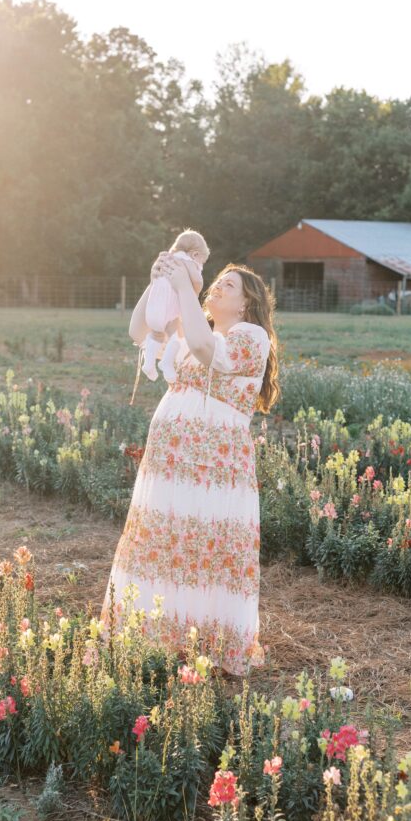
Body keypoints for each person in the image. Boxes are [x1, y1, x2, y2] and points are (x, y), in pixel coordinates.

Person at [101, 253, 280, 675]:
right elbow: (138, 330)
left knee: (205, 544)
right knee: (165, 541)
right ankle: (153, 638)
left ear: (246, 304)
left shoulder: (251, 336)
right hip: (171, 463)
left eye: (229, 286)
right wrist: (157, 281)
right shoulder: (198, 327)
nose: (217, 287)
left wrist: (187, 287)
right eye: (216, 281)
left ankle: (206, 644)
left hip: (212, 468)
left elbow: (204, 349)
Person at [133, 230, 209, 402]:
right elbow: (197, 282)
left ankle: (149, 362)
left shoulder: (166, 258)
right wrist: (193, 283)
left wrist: (154, 282)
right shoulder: (188, 261)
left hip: (153, 309)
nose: (201, 266)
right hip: (169, 311)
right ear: (195, 254)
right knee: (175, 337)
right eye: (202, 262)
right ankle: (166, 362)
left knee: (156, 334)